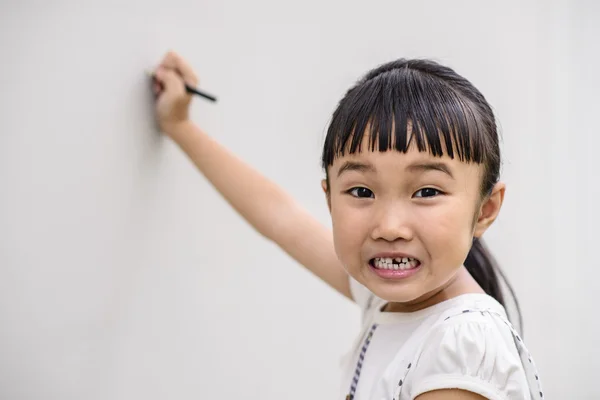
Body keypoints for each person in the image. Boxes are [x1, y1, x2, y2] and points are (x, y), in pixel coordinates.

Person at [150, 51, 543, 400]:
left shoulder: (462, 347)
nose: (389, 227)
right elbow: (279, 217)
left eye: (425, 192)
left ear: (485, 210)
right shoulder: (391, 298)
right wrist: (180, 126)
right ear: (329, 199)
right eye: (360, 191)